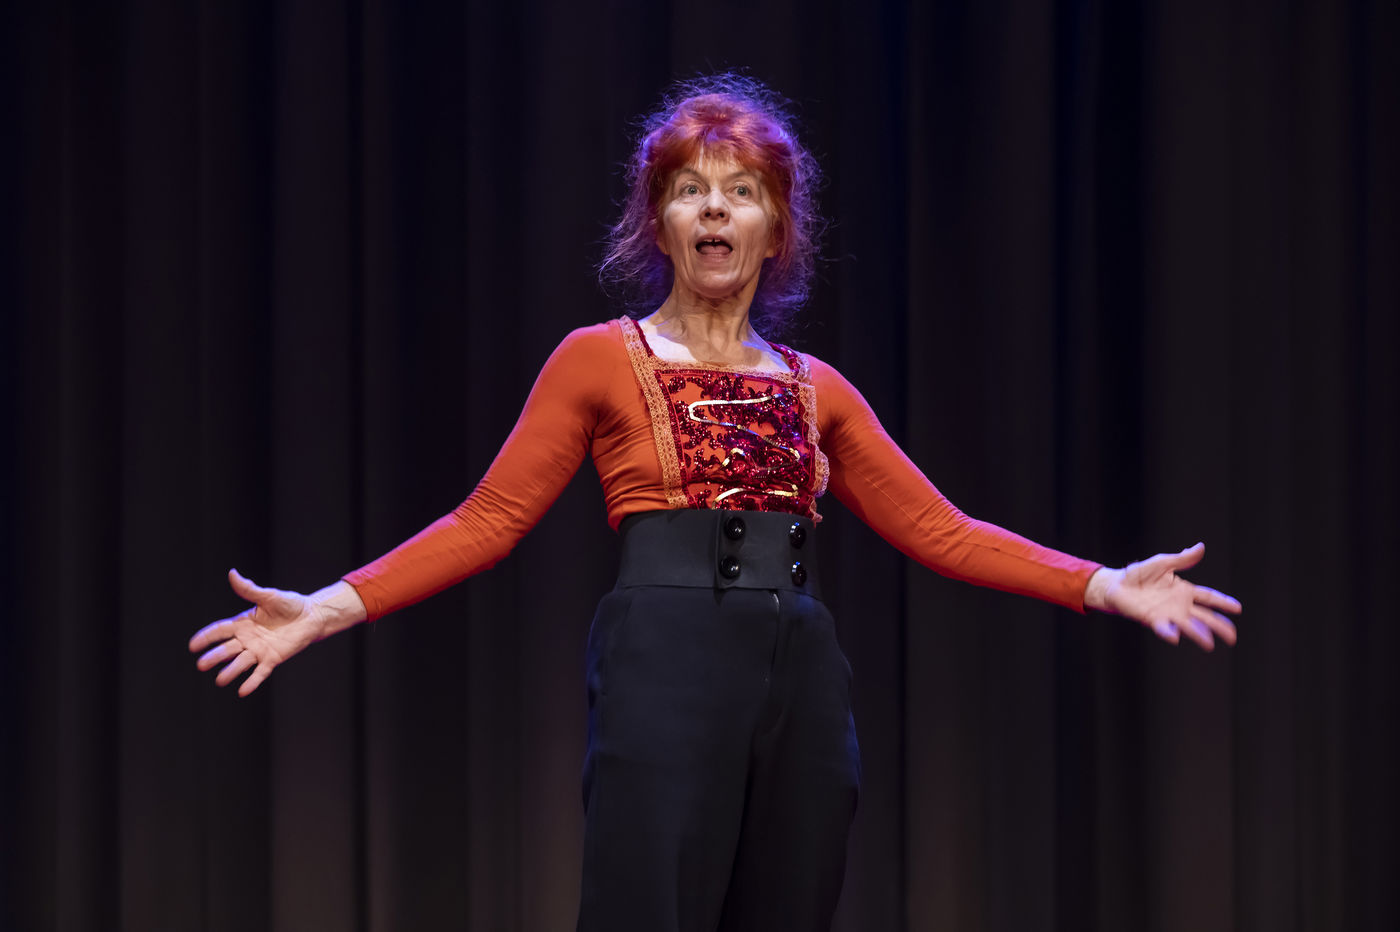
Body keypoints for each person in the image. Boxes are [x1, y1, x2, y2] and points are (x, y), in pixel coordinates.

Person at [189, 74, 1240, 931]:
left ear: (775, 228)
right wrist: (328, 605)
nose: (713, 208)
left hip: (800, 669)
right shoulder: (598, 359)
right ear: (659, 222)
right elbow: (487, 519)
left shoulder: (817, 388)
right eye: (689, 189)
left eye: (740, 190)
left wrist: (1101, 583)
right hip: (663, 654)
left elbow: (939, 529)